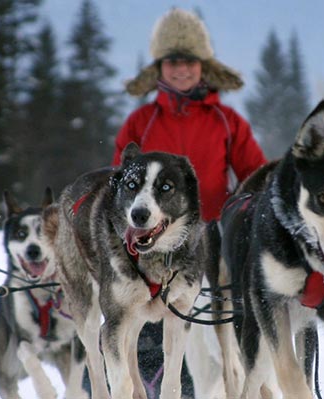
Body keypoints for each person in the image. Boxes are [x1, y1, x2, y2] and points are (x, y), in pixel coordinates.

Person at [111, 8, 267, 398]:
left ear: (204, 66)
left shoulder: (227, 121)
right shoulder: (141, 122)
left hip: (215, 240)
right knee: (145, 336)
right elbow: (120, 184)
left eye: (189, 62)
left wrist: (244, 216)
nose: (181, 70)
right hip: (149, 247)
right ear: (159, 67)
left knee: (221, 330)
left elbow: (255, 176)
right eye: (173, 62)